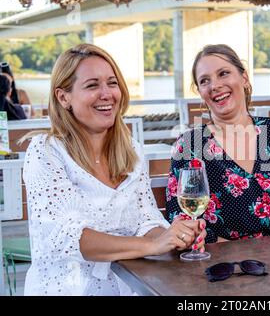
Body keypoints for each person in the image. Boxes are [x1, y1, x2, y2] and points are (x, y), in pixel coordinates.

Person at [21, 44, 207, 296]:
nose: (106, 93)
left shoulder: (132, 151)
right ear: (63, 97)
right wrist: (151, 246)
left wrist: (172, 236)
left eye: (112, 82)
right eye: (92, 85)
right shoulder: (46, 152)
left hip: (129, 288)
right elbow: (64, 238)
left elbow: (146, 220)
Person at [166, 44, 270, 243]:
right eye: (204, 81)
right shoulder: (191, 145)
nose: (214, 85)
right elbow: (181, 219)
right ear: (200, 91)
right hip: (220, 264)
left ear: (244, 78)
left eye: (223, 73)